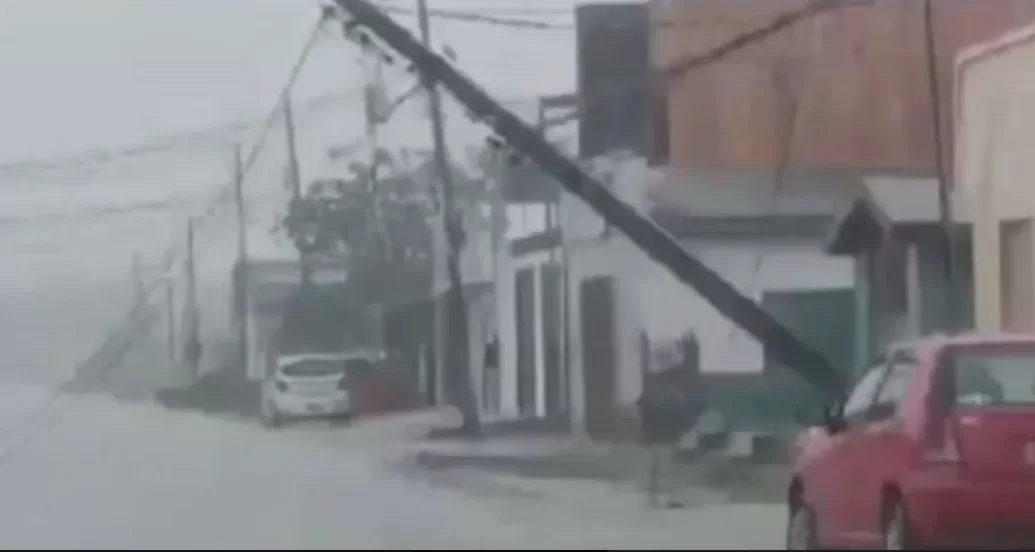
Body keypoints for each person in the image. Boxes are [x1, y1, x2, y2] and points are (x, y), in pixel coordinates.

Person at [636, 332, 705, 508]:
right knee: (664, 465)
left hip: (658, 433)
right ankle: (664, 497)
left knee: (658, 465)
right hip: (664, 433)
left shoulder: (657, 387)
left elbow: (645, 408)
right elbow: (671, 409)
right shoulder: (670, 389)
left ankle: (656, 496)